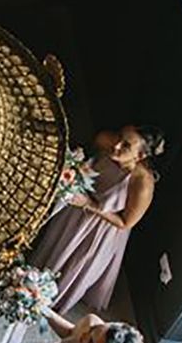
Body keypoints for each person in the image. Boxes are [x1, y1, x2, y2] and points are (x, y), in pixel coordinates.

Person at [31, 125, 165, 313]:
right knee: (55, 245)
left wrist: (89, 204)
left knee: (72, 262)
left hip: (99, 228)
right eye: (118, 136)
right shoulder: (105, 141)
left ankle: (43, 299)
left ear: (140, 156)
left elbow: (126, 223)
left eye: (126, 145)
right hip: (75, 211)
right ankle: (33, 278)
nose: (116, 145)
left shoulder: (142, 184)